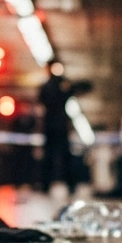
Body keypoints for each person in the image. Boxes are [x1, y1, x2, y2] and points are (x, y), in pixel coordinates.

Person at [39, 60, 77, 194]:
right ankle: (47, 185)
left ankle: (68, 185)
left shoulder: (61, 84)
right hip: (53, 125)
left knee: (63, 156)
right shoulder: (49, 86)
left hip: (58, 125)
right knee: (51, 156)